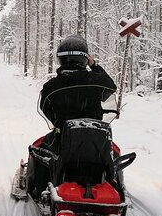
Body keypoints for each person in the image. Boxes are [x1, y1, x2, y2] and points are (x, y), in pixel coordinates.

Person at [26, 34, 117, 199]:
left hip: (62, 142)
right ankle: (114, 183)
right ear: (85, 59)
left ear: (61, 59)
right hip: (96, 142)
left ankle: (38, 190)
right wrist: (94, 65)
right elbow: (111, 88)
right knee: (114, 153)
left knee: (39, 150)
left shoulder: (51, 87)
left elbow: (45, 109)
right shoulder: (97, 81)